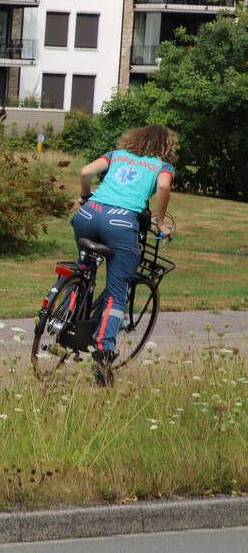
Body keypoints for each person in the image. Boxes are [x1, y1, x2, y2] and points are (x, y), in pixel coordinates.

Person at [72, 124, 178, 386]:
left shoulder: (116, 155)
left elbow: (85, 172)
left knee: (83, 270)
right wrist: (160, 223)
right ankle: (104, 351)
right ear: (166, 146)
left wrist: (85, 197)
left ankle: (65, 318)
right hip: (120, 223)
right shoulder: (162, 166)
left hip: (87, 215)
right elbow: (163, 186)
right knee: (117, 292)